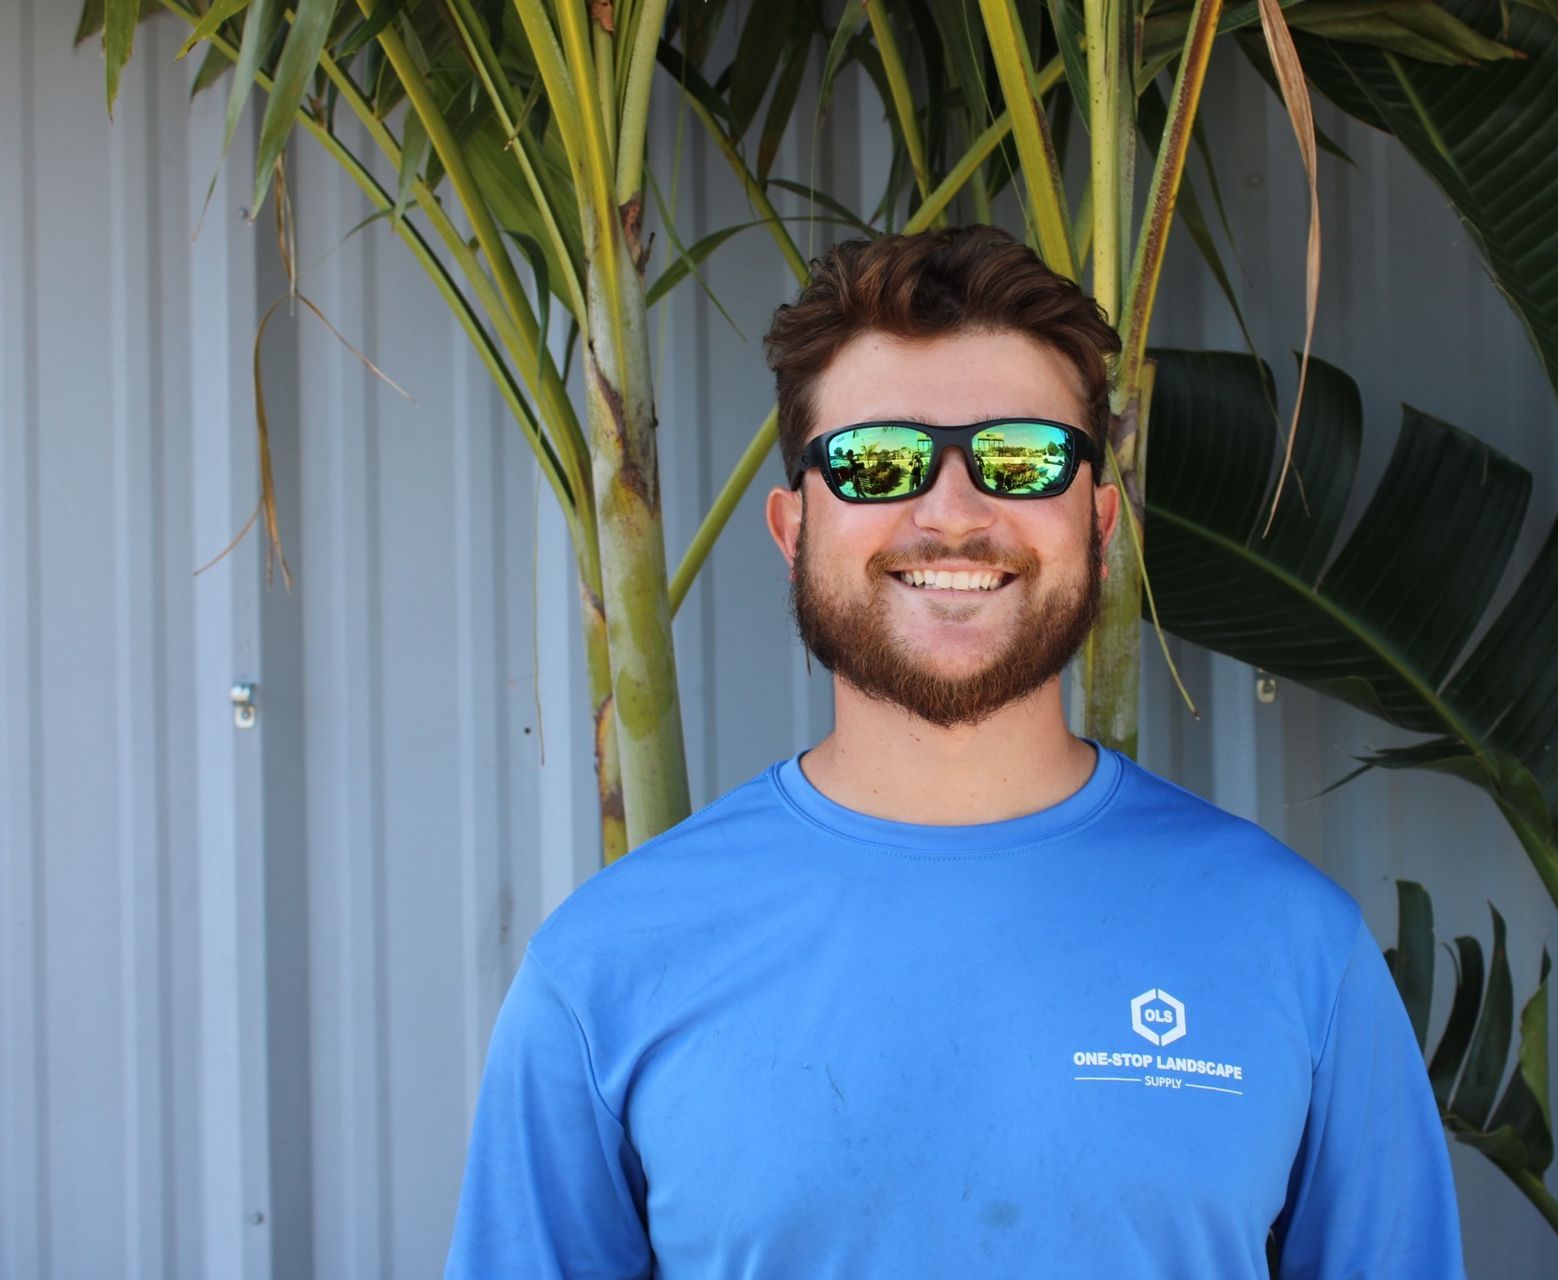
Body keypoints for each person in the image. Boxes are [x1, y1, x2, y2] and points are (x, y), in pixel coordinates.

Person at [445, 226, 1465, 1279]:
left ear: (1099, 523)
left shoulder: (1296, 947)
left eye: (1019, 458)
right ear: (792, 528)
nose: (952, 513)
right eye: (878, 458)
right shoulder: (605, 967)